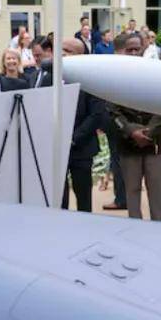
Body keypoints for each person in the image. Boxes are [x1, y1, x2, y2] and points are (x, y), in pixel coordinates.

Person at [109, 32, 161, 221]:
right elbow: (113, 111)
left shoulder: (156, 74)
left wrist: (148, 132)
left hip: (154, 144)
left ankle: (160, 228)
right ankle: (135, 229)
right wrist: (132, 131)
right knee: (132, 193)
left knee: (157, 192)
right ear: (123, 51)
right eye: (129, 50)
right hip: (128, 145)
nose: (134, 53)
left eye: (137, 49)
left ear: (144, 49)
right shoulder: (114, 78)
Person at [57, 38, 105, 212]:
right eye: (61, 50)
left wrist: (72, 139)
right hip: (57, 150)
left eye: (68, 51)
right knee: (58, 198)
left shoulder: (92, 81)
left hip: (82, 148)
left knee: (83, 196)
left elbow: (96, 114)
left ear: (80, 55)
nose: (62, 54)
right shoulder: (51, 78)